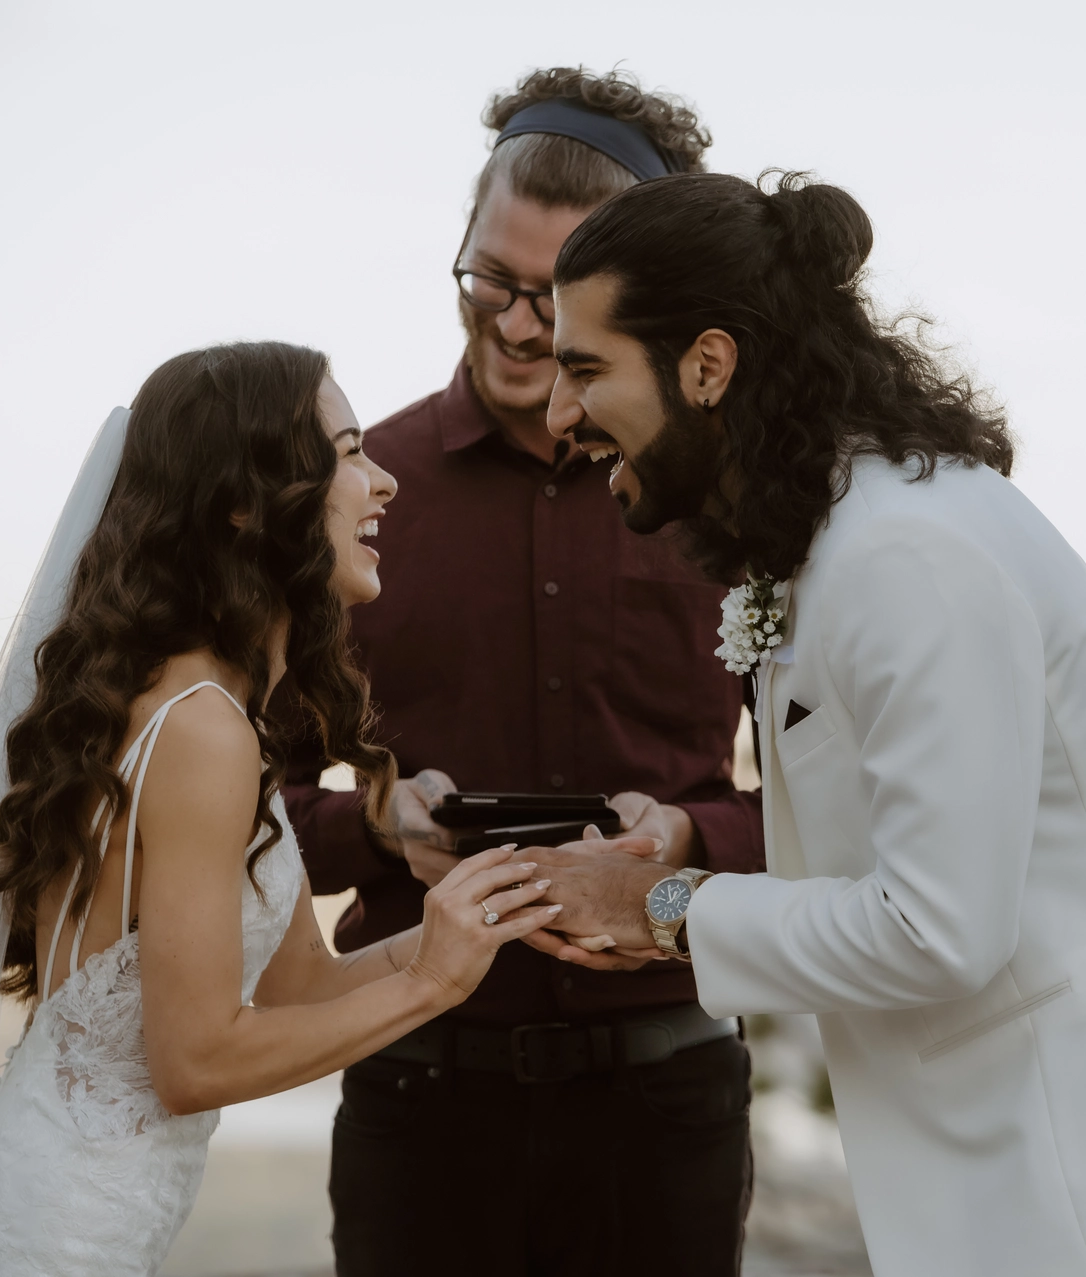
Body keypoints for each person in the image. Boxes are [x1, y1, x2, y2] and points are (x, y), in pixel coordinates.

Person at [525, 172, 1086, 1277]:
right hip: (1028, 1187)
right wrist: (687, 844)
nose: (560, 413)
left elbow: (941, 928)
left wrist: (664, 909)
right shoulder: (840, 535)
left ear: (708, 365)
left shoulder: (905, 555)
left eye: (586, 369)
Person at [0, 343, 561, 1277]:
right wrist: (429, 988)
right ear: (247, 503)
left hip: (58, 1212)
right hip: (54, 1243)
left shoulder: (200, 708)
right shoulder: (203, 731)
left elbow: (297, 993)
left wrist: (458, 935)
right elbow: (194, 1062)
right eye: (352, 452)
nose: (386, 480)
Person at [275, 67, 764, 1277]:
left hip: (668, 1098)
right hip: (415, 1092)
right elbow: (237, 798)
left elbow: (842, 790)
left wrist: (692, 838)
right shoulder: (351, 493)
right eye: (488, 279)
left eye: (552, 296)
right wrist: (378, 829)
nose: (514, 324)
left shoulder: (736, 508)